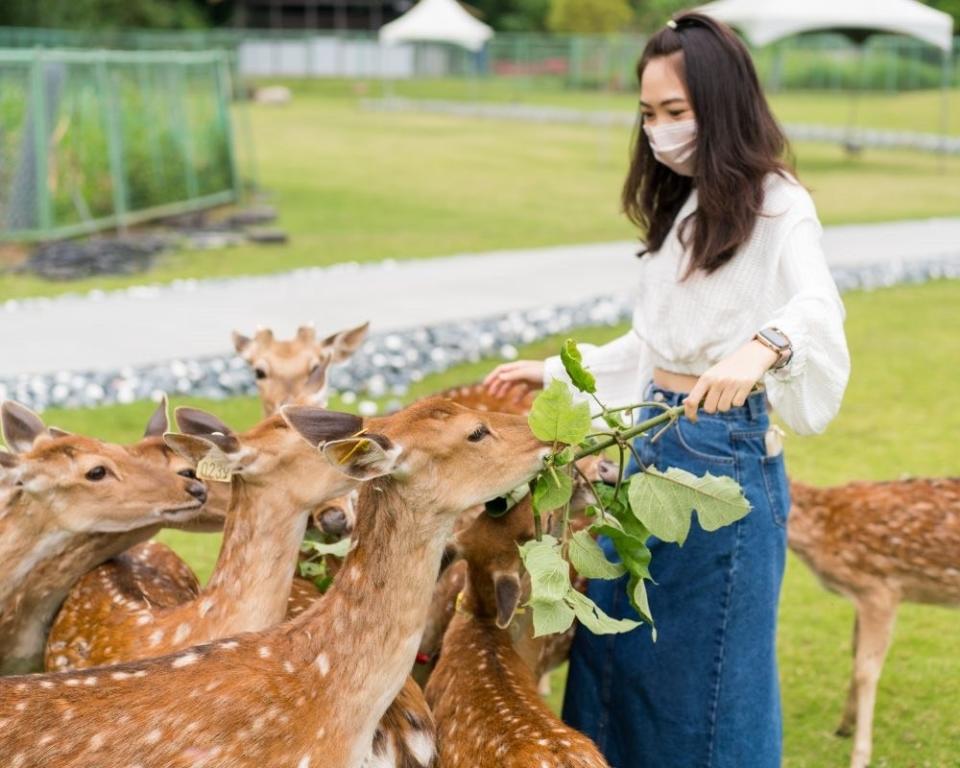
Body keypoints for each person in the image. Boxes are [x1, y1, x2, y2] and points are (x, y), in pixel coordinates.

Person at [484, 13, 850, 768]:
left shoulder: (780, 205)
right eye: (648, 114)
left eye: (675, 112)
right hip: (647, 434)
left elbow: (815, 307)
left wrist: (764, 344)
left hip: (722, 450)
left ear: (722, 106)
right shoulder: (686, 210)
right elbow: (658, 342)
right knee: (618, 659)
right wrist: (555, 372)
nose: (658, 130)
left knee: (707, 682)